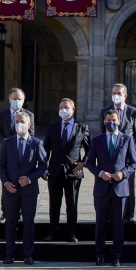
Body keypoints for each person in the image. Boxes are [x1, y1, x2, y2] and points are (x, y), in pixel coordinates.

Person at [85, 109, 136, 267]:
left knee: (118, 224)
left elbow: (133, 163)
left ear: (119, 121)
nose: (111, 122)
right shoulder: (97, 140)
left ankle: (116, 255)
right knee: (100, 223)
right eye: (108, 119)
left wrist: (123, 173)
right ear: (104, 121)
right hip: (102, 188)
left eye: (114, 119)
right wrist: (100, 173)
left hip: (119, 188)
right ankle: (100, 254)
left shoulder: (127, 139)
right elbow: (89, 162)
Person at [0, 111, 47, 265]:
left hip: (29, 191)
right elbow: (2, 166)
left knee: (28, 223)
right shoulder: (8, 142)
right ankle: (9, 254)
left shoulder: (37, 143)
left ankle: (28, 254)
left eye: (22, 121)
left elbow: (43, 165)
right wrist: (5, 183)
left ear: (29, 124)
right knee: (11, 222)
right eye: (17, 121)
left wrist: (30, 179)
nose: (20, 124)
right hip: (10, 189)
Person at [42, 98, 91, 243]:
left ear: (73, 109)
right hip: (55, 171)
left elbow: (90, 150)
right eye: (61, 107)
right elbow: (45, 149)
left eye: (67, 107)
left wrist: (83, 163)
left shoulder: (81, 127)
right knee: (54, 203)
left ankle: (72, 232)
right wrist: (43, 167)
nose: (64, 110)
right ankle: (53, 230)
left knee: (72, 204)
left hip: (73, 171)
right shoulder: (53, 127)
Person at [100, 83, 136, 223]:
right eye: (113, 93)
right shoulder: (105, 111)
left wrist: (130, 152)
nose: (115, 96)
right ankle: (111, 214)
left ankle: (129, 213)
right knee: (110, 184)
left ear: (125, 95)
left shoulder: (133, 112)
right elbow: (102, 133)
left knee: (129, 184)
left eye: (118, 93)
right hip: (110, 154)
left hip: (127, 155)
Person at [0, 87, 35, 224]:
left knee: (22, 184)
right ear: (9, 99)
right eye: (14, 98)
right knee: (6, 184)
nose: (17, 101)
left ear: (23, 100)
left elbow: (32, 134)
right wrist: (7, 146)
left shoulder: (29, 115)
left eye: (20, 99)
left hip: (23, 155)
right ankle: (5, 212)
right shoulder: (2, 115)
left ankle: (21, 213)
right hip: (7, 154)